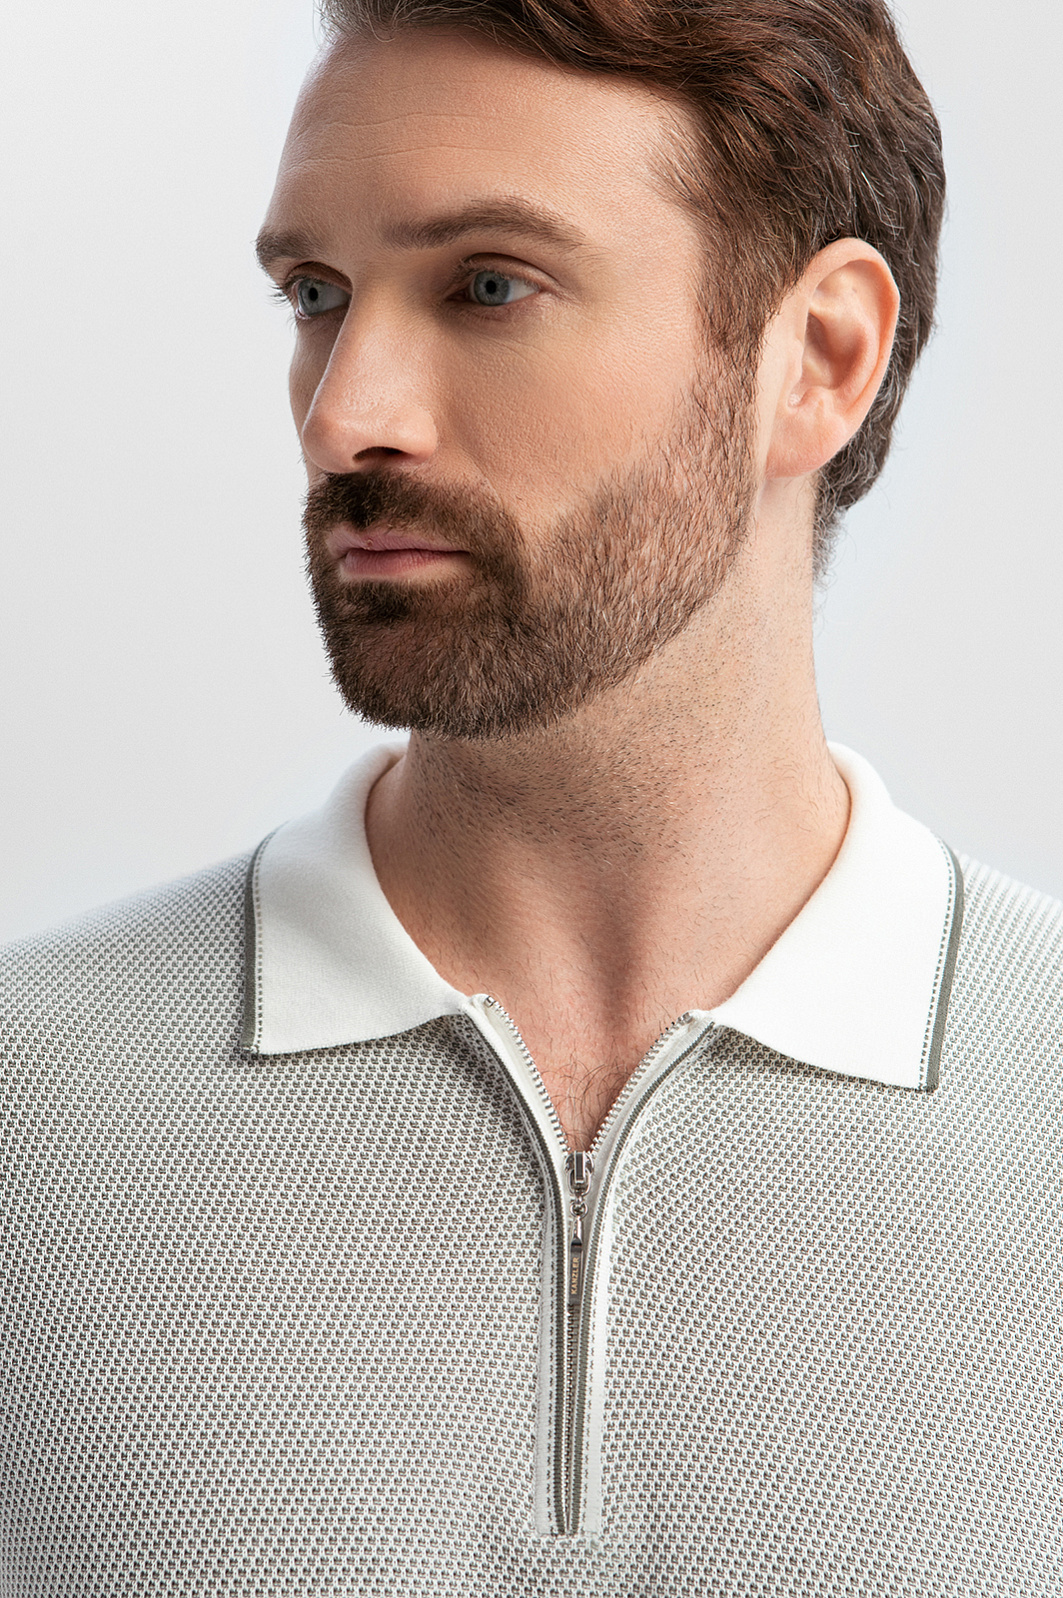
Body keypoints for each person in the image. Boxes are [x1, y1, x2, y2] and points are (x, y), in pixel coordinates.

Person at [3, 0, 1061, 1592]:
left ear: (820, 359)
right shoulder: (27, 1119)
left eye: (489, 285)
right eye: (317, 294)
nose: (345, 414)